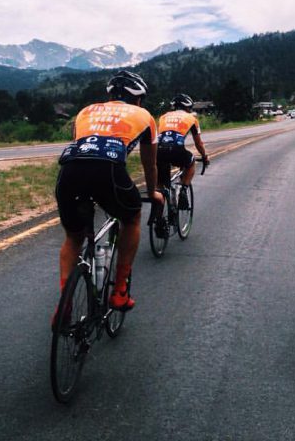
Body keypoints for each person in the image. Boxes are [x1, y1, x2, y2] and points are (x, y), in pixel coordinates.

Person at [55, 70, 164, 311]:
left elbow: (82, 147)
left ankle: (65, 305)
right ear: (138, 98)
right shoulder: (145, 115)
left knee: (74, 237)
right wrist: (154, 191)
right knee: (132, 217)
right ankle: (120, 292)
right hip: (109, 170)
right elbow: (150, 164)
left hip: (69, 171)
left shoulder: (86, 111)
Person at [156, 93, 209, 209]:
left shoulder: (163, 117)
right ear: (188, 107)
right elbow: (198, 143)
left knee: (160, 186)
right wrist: (204, 156)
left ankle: (157, 219)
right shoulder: (191, 118)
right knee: (191, 161)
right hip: (176, 151)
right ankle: (184, 190)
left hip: (158, 152)